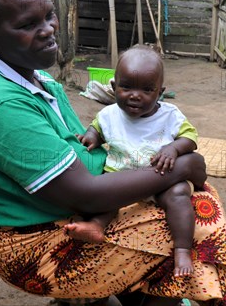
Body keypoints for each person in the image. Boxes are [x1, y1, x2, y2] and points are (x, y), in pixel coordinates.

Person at [0, 0, 226, 306]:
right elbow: (87, 195)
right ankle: (152, 292)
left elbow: (79, 149)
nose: (48, 30)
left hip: (62, 210)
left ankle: (132, 290)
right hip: (35, 245)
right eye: (26, 25)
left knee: (180, 199)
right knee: (198, 215)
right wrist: (183, 167)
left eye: (49, 16)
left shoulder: (40, 81)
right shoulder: (1, 106)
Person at [65, 45, 201, 278]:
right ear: (113, 87)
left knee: (179, 194)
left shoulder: (169, 115)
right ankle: (97, 225)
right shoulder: (109, 114)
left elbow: (190, 138)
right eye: (126, 87)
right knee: (103, 194)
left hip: (160, 178)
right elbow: (96, 128)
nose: (135, 95)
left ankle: (182, 249)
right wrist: (91, 137)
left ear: (160, 92)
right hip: (121, 177)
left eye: (147, 90)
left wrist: (173, 148)